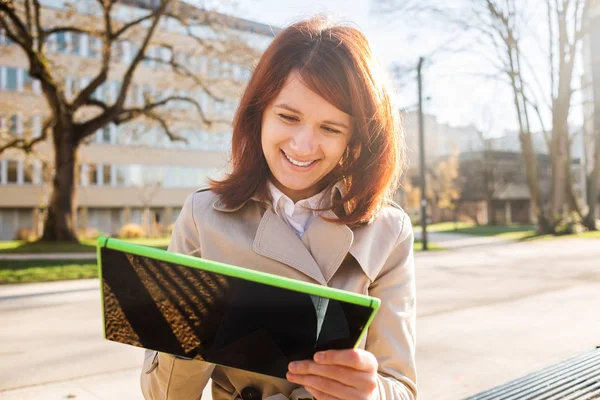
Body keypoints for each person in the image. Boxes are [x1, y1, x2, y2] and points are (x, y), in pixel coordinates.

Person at [141, 15, 417, 400]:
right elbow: (163, 395)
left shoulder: (388, 230)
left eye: (330, 128)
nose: (303, 146)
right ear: (259, 114)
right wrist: (192, 329)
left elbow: (401, 386)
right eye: (288, 117)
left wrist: (371, 393)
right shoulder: (202, 217)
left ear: (355, 138)